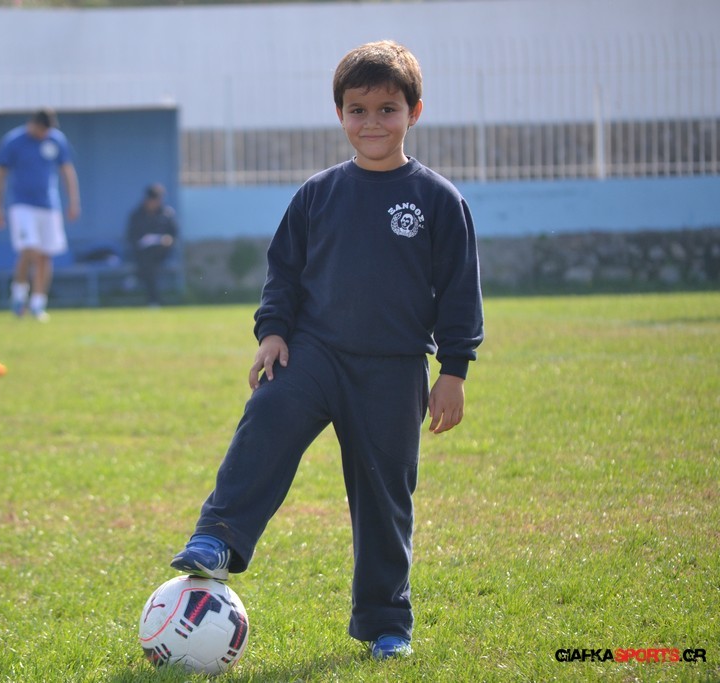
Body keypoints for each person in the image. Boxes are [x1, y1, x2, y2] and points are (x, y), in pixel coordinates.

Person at [169, 40, 484, 662]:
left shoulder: (438, 200)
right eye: (358, 110)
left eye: (387, 109)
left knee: (384, 496)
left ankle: (386, 624)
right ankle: (219, 538)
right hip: (312, 354)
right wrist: (272, 332)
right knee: (267, 417)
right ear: (340, 114)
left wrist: (453, 370)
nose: (372, 123)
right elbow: (283, 272)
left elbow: (458, 290)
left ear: (414, 112)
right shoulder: (318, 194)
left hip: (393, 368)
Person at [0, 108, 81, 320]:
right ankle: (19, 295)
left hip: (49, 205)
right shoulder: (14, 141)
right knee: (29, 249)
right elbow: (0, 174)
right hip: (22, 205)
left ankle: (38, 303)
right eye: (42, 130)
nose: (45, 134)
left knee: (45, 255)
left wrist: (73, 201)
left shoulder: (56, 140)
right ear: (32, 124)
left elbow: (67, 170)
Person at [126, 183, 178, 306]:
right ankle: (154, 300)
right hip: (143, 253)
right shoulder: (137, 215)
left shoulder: (167, 213)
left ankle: (138, 276)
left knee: (148, 263)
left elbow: (174, 234)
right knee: (149, 263)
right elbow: (131, 237)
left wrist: (168, 239)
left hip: (162, 253)